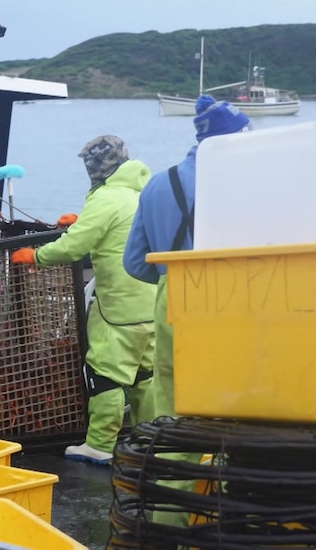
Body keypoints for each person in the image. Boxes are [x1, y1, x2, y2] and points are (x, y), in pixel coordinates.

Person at [123, 96, 251, 530]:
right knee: (244, 416)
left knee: (178, 423)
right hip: (234, 303)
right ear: (232, 138)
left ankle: (167, 527)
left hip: (171, 301)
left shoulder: (158, 184)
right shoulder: (243, 179)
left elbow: (135, 263)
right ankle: (238, 524)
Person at [11, 135, 157, 465]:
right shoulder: (144, 193)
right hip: (152, 302)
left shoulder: (107, 198)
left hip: (119, 307)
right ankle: (150, 439)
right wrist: (82, 222)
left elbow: (73, 247)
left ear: (97, 166)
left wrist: (36, 256)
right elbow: (115, 231)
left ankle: (100, 446)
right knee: (146, 376)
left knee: (105, 374)